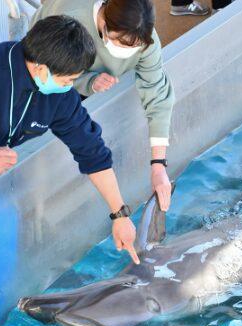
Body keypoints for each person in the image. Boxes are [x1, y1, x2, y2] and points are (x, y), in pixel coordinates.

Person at [0, 16, 141, 264]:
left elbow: (91, 150)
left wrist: (120, 215)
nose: (70, 87)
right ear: (41, 69)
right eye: (67, 80)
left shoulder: (58, 95)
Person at [32, 0, 173, 211]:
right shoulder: (70, 16)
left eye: (136, 46)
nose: (130, 50)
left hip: (95, 75)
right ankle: (43, 205)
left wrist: (159, 165)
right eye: (123, 43)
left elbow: (158, 94)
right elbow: (44, 66)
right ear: (105, 22)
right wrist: (88, 81)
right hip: (51, 65)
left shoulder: (145, 37)